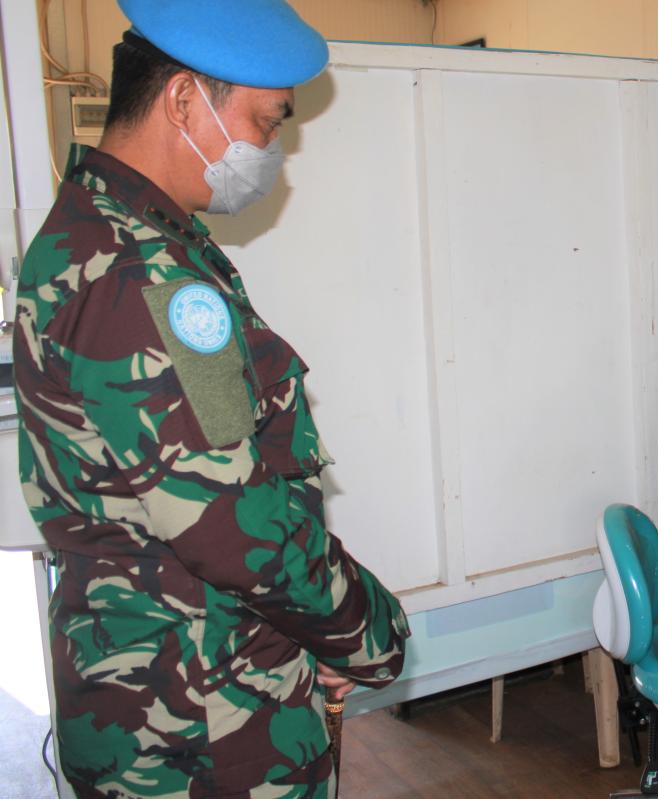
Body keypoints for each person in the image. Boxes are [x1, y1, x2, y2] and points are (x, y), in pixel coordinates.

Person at [12, 2, 408, 795]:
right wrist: (368, 633)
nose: (270, 152)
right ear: (185, 99)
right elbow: (232, 520)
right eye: (265, 123)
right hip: (201, 719)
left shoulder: (112, 234)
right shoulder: (137, 270)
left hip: (178, 681)